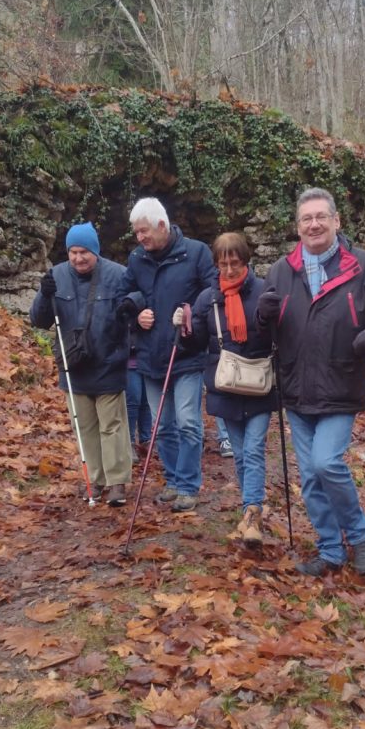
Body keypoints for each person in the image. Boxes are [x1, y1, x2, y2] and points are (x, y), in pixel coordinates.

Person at [256, 187, 365, 577]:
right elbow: (266, 328)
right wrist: (263, 315)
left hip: (342, 382)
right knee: (309, 477)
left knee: (327, 463)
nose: (314, 224)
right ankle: (330, 551)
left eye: (321, 216)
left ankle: (358, 539)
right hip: (296, 386)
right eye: (306, 219)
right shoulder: (281, 270)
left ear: (337, 221)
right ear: (298, 226)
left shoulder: (362, 264)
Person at [174, 232, 276, 549]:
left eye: (234, 263)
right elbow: (195, 344)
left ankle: (252, 513)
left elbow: (278, 334)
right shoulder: (209, 298)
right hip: (227, 386)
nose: (229, 270)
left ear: (245, 261)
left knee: (254, 449)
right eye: (223, 264)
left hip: (259, 384)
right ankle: (251, 509)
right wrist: (184, 327)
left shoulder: (263, 292)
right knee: (242, 454)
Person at [117, 197, 215, 512]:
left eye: (144, 231)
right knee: (162, 425)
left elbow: (214, 293)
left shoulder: (197, 253)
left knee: (187, 421)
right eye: (136, 233)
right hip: (150, 356)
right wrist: (136, 313)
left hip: (186, 352)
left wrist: (190, 315)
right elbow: (122, 297)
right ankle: (172, 480)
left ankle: (188, 485)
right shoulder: (136, 258)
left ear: (162, 225)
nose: (140, 238)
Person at [30, 222, 132, 506]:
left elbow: (133, 309)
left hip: (108, 363)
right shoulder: (57, 276)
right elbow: (39, 320)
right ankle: (95, 480)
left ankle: (117, 483)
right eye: (73, 252)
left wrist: (131, 307)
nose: (78, 258)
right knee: (84, 426)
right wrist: (44, 293)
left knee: (111, 425)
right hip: (74, 366)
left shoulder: (118, 275)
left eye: (84, 252)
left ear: (95, 251)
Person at [126, 323, 152, 464]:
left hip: (147, 357)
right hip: (129, 359)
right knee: (132, 401)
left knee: (146, 401)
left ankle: (146, 439)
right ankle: (128, 442)